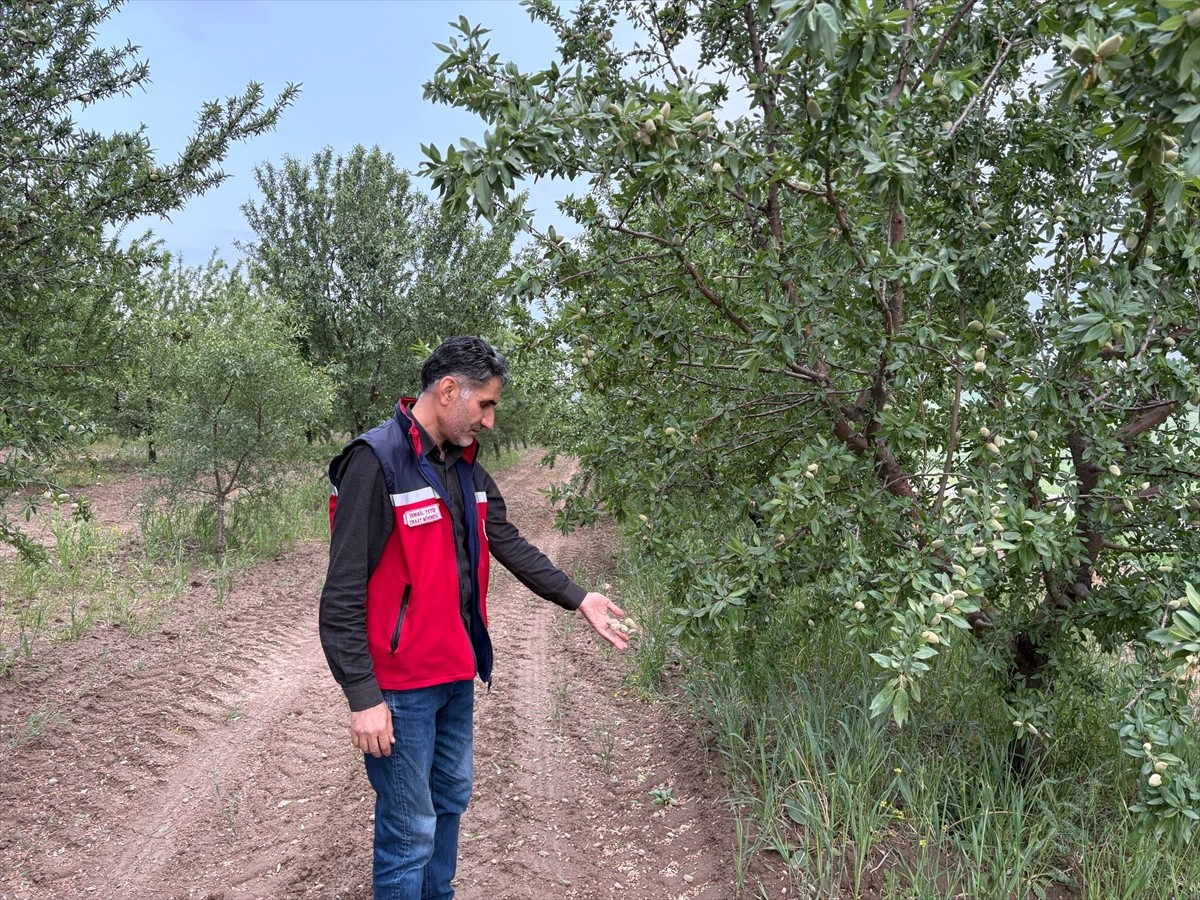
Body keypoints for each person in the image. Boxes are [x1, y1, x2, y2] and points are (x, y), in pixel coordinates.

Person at [318, 335, 628, 899]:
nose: (488, 420)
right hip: (402, 689)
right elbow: (341, 596)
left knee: (450, 801)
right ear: (447, 390)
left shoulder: (462, 466)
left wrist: (579, 598)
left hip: (456, 673)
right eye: (484, 404)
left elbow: (505, 540)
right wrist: (363, 697)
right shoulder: (377, 462)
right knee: (408, 830)